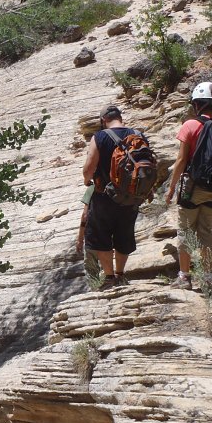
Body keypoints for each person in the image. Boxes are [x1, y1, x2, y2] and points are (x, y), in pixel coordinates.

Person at [164, 81, 212, 291]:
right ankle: (208, 278)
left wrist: (171, 188)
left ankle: (184, 277)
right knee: (206, 230)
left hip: (193, 187)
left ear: (196, 104)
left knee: (186, 230)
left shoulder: (190, 125)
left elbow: (181, 161)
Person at [81, 105, 141, 289]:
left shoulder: (99, 137)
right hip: (131, 196)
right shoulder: (137, 134)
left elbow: (89, 168)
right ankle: (120, 274)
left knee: (101, 237)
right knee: (124, 235)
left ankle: (109, 278)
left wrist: (86, 181)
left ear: (103, 120)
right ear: (119, 117)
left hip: (104, 196)